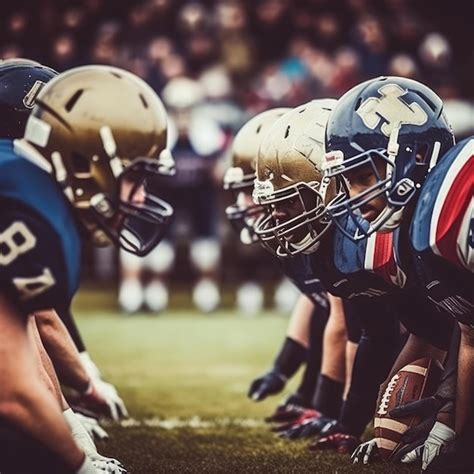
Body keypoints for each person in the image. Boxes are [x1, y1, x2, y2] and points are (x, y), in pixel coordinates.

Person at [0, 64, 174, 473]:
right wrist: (80, 463)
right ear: (84, 164)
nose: (142, 195)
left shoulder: (19, 181)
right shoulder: (27, 211)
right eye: (135, 176)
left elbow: (24, 337)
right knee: (24, 447)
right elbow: (13, 390)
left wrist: (67, 421)